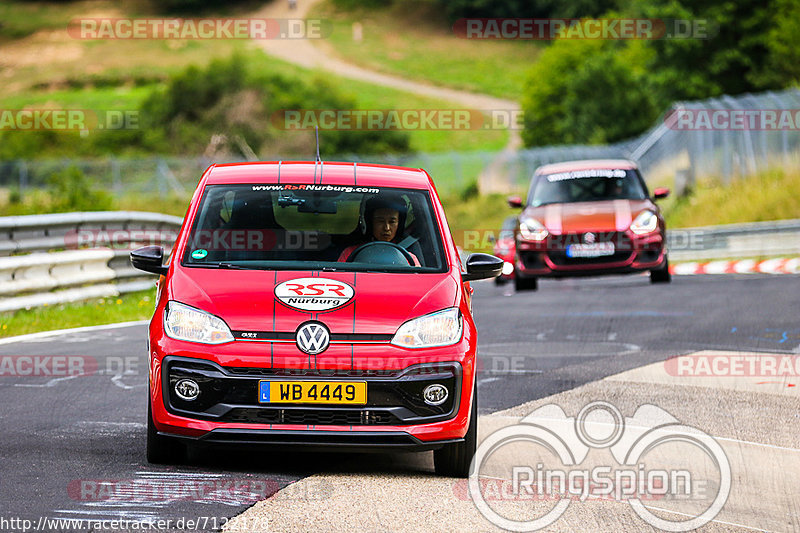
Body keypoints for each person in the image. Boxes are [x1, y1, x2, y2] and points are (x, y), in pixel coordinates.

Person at [338, 197, 420, 266]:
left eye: (392, 222)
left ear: (399, 224)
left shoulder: (409, 258)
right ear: (370, 223)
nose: (387, 228)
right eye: (380, 221)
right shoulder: (350, 254)